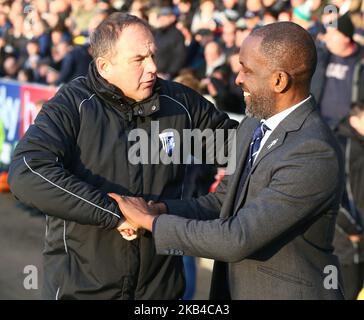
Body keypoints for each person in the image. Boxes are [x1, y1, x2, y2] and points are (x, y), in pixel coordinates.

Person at [109, 22, 346, 300]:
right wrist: (161, 209)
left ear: (279, 81)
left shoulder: (314, 151)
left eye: (246, 69)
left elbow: (237, 237)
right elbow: (222, 202)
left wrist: (150, 222)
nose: (238, 79)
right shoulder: (253, 123)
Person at [8, 13, 236, 300]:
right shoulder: (73, 105)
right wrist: (115, 214)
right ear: (105, 66)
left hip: (159, 293)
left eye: (152, 55)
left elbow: (242, 153)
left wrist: (190, 211)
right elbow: (27, 172)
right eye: (139, 60)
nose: (153, 67)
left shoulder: (181, 104)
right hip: (81, 290)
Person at [333, 102, 364, 299]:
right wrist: (352, 229)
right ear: (354, 120)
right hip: (347, 244)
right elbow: (332, 194)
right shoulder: (342, 145)